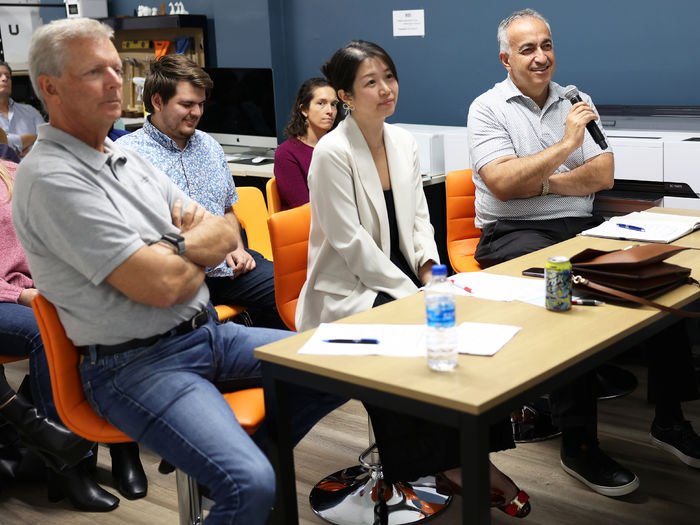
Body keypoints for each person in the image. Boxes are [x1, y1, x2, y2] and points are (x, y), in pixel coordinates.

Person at [13, 18, 344, 525]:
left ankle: (241, 457)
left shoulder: (122, 157)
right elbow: (165, 283)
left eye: (116, 69)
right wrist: (193, 250)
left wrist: (174, 248)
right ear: (49, 87)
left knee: (337, 363)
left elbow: (223, 231)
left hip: (206, 334)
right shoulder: (53, 178)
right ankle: (242, 476)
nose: (113, 82)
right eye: (93, 71)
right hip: (138, 364)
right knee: (249, 484)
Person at [467, 8, 700, 497]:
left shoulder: (576, 98)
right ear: (505, 58)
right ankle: (579, 445)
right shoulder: (487, 109)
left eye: (546, 45)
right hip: (514, 232)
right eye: (527, 48)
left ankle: (670, 420)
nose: (540, 57)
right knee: (564, 301)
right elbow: (504, 186)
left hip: (581, 226)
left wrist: (541, 179)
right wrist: (567, 143)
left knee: (660, 277)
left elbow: (604, 174)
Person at [297, 40, 531, 519]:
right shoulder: (331, 153)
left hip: (404, 275)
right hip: (351, 286)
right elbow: (352, 244)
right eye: (370, 82)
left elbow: (422, 223)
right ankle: (443, 464)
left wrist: (432, 273)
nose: (386, 90)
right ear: (344, 94)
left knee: (462, 326)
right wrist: (412, 293)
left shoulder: (402, 141)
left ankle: (468, 455)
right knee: (407, 344)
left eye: (390, 77)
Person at [116, 55, 283, 329]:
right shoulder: (128, 157)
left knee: (295, 292)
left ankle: (280, 364)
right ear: (157, 101)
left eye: (201, 104)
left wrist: (238, 248)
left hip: (226, 269)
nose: (197, 112)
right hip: (174, 276)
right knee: (201, 329)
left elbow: (228, 209)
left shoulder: (211, 147)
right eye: (187, 104)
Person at [0, 158, 122, 511]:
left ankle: (89, 447)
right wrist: (21, 295)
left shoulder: (14, 170)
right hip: (11, 296)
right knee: (45, 334)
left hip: (31, 288)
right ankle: (67, 468)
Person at [273, 77, 340, 210]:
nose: (330, 111)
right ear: (304, 110)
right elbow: (303, 208)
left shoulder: (339, 146)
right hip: (307, 225)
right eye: (321, 103)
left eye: (333, 104)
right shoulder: (287, 153)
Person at [0, 60, 45, 158]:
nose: (4, 78)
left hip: (35, 168)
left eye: (8, 76)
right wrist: (32, 138)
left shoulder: (30, 111)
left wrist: (12, 149)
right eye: (0, 75)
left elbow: (47, 139)